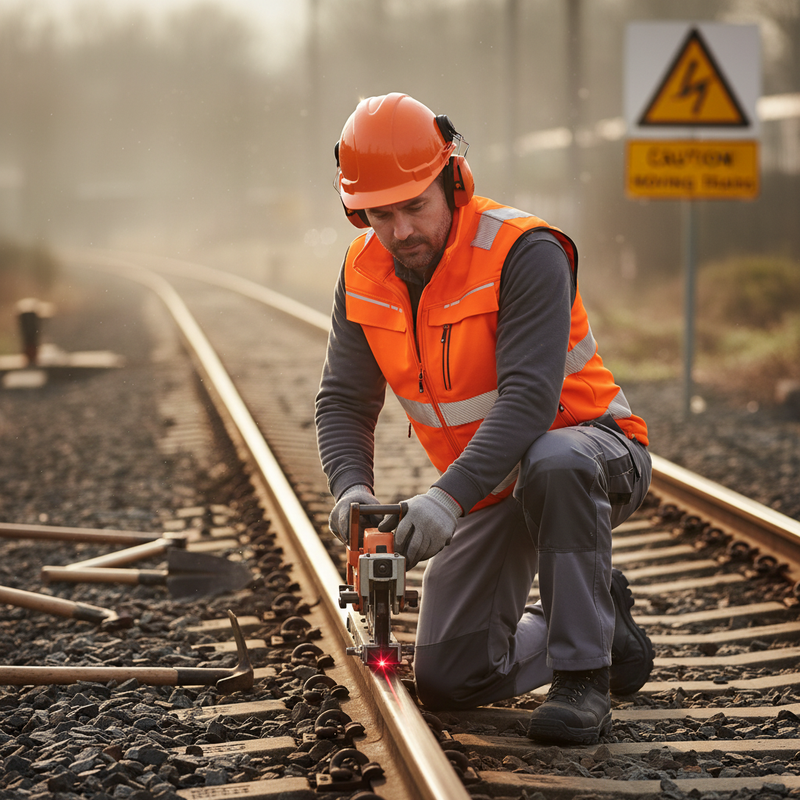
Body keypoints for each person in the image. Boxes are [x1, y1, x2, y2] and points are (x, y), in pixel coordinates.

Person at [315, 92, 654, 745]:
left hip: (594, 453)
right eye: (381, 215)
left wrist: (444, 499)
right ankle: (600, 618)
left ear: (453, 179)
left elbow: (529, 399)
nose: (402, 230)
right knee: (450, 677)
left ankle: (584, 678)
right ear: (357, 209)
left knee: (554, 463)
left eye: (415, 206)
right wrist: (350, 490)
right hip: (493, 484)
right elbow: (344, 401)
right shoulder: (363, 271)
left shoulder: (524, 251)